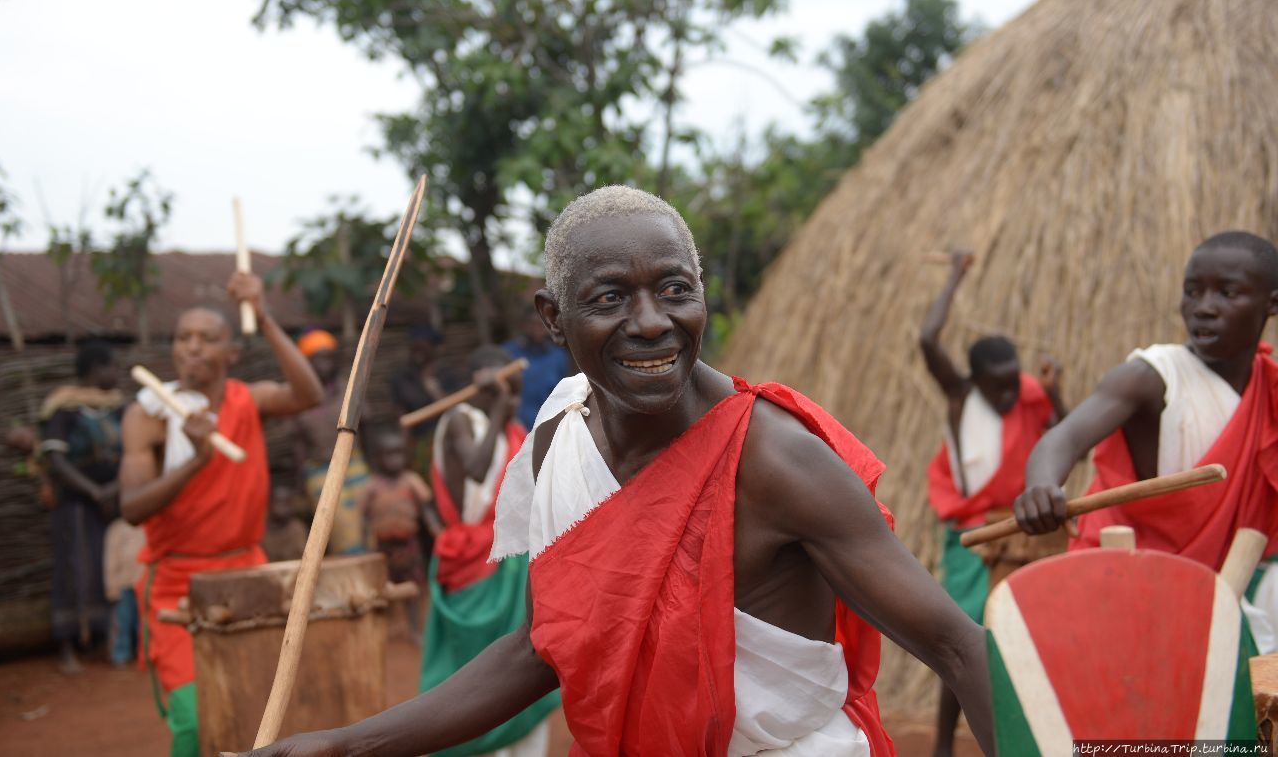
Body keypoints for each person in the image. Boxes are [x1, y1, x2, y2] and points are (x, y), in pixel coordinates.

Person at [236, 186, 992, 757]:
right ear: (552, 318)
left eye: (674, 289)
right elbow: (545, 645)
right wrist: (343, 746)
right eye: (609, 297)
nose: (652, 321)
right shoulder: (558, 440)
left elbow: (957, 646)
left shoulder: (773, 456)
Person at [1014, 231, 1278, 653]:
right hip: (1121, 579)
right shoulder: (1150, 376)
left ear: (1272, 304)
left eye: (1227, 293)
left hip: (1216, 589)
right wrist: (1041, 485)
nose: (1204, 308)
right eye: (1192, 292)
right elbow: (1064, 438)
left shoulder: (1270, 390)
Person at [121, 272, 323, 757]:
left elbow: (309, 395)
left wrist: (265, 314)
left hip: (245, 571)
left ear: (231, 354)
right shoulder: (146, 414)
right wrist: (194, 460)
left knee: (253, 708)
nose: (192, 348)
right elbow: (131, 508)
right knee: (195, 721)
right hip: (176, 586)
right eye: (183, 338)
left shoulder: (246, 400)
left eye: (207, 339)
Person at [918, 250, 1066, 756]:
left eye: (1013, 382)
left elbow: (1062, 435)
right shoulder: (961, 398)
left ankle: (1023, 737)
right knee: (966, 636)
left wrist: (1055, 392)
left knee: (1026, 635)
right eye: (997, 386)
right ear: (976, 380)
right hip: (972, 534)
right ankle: (942, 745)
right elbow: (927, 338)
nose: (1009, 395)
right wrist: (955, 276)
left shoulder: (1029, 395)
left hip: (1028, 527)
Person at [417, 345, 559, 757]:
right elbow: (478, 470)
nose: (512, 398)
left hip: (514, 554)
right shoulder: (461, 420)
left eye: (516, 392)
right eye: (505, 389)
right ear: (482, 379)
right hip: (476, 558)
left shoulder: (509, 423)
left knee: (524, 662)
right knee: (477, 667)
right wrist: (500, 410)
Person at [39, 339, 125, 673]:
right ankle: (66, 646)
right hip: (75, 505)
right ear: (95, 370)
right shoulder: (64, 409)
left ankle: (104, 640)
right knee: (74, 569)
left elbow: (133, 455)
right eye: (111, 366)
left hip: (112, 504)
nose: (116, 372)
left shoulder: (118, 408)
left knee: (108, 571)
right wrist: (94, 491)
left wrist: (113, 491)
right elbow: (56, 460)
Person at [293, 329, 370, 555]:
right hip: (320, 468)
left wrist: (372, 465)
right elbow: (298, 443)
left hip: (353, 462)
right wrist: (300, 483)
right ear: (307, 363)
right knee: (336, 523)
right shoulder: (301, 394)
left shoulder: (349, 387)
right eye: (317, 358)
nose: (323, 364)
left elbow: (367, 427)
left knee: (368, 518)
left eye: (328, 357)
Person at [359, 421, 436, 641]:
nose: (395, 460)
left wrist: (434, 528)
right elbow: (364, 519)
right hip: (384, 549)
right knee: (384, 590)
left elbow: (425, 509)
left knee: (412, 590)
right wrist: (365, 544)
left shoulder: (411, 481)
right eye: (389, 455)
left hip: (409, 545)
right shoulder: (371, 487)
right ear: (378, 458)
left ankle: (414, 628)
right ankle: (388, 629)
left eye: (399, 453)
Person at [502, 308, 570, 430]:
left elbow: (562, 394)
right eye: (532, 323)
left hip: (547, 426)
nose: (537, 328)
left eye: (541, 324)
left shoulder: (558, 357)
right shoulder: (508, 353)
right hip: (515, 426)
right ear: (523, 325)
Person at [391, 324, 447, 473]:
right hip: (418, 445)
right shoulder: (402, 379)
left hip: (446, 441)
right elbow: (402, 417)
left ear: (433, 349)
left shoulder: (445, 374)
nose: (418, 354)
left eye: (423, 349)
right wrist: (405, 452)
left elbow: (456, 409)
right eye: (415, 349)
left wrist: (434, 390)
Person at [103, 515, 145, 667]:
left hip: (143, 581)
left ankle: (144, 655)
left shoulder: (146, 525)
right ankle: (120, 655)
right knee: (122, 622)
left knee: (143, 623)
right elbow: (110, 560)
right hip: (123, 583)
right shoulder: (116, 529)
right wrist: (111, 585)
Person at [262, 483, 307, 562]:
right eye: (278, 502)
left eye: (286, 503)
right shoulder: (262, 530)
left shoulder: (297, 529)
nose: (282, 508)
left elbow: (301, 557)